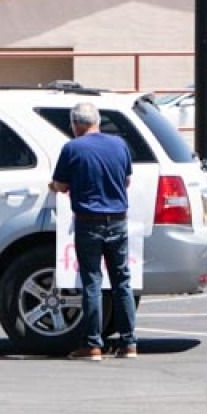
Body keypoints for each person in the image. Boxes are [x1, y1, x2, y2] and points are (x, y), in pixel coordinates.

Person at [48, 102, 137, 361]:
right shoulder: (119, 145)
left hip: (89, 221)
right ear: (97, 121)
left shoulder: (72, 148)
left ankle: (92, 344)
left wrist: (53, 186)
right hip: (118, 220)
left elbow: (62, 185)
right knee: (122, 281)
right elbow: (127, 180)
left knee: (92, 282)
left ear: (75, 124)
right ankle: (129, 342)